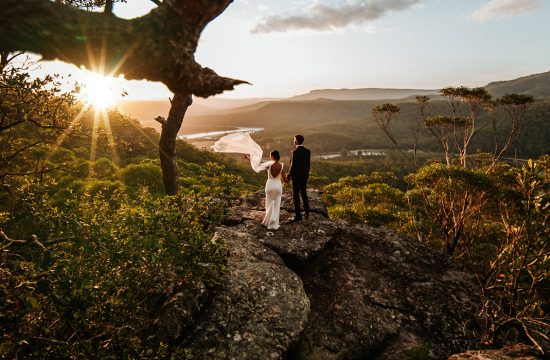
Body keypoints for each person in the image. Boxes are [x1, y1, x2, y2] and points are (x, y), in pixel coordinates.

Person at [211, 132, 288, 230]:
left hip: (269, 185)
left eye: (269, 155)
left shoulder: (268, 164)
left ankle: (268, 222)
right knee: (276, 204)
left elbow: (257, 166)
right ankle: (274, 225)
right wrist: (290, 177)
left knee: (269, 204)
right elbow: (285, 180)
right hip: (277, 186)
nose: (269, 157)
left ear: (272, 156)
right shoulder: (282, 165)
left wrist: (248, 158)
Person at [287, 134, 310, 222]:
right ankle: (307, 212)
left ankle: (298, 216)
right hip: (304, 176)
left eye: (294, 139)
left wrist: (289, 175)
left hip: (296, 177)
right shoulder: (307, 151)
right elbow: (308, 165)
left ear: (296, 141)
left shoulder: (295, 152)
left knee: (296, 196)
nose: (293, 141)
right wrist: (306, 174)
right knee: (303, 193)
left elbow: (293, 166)